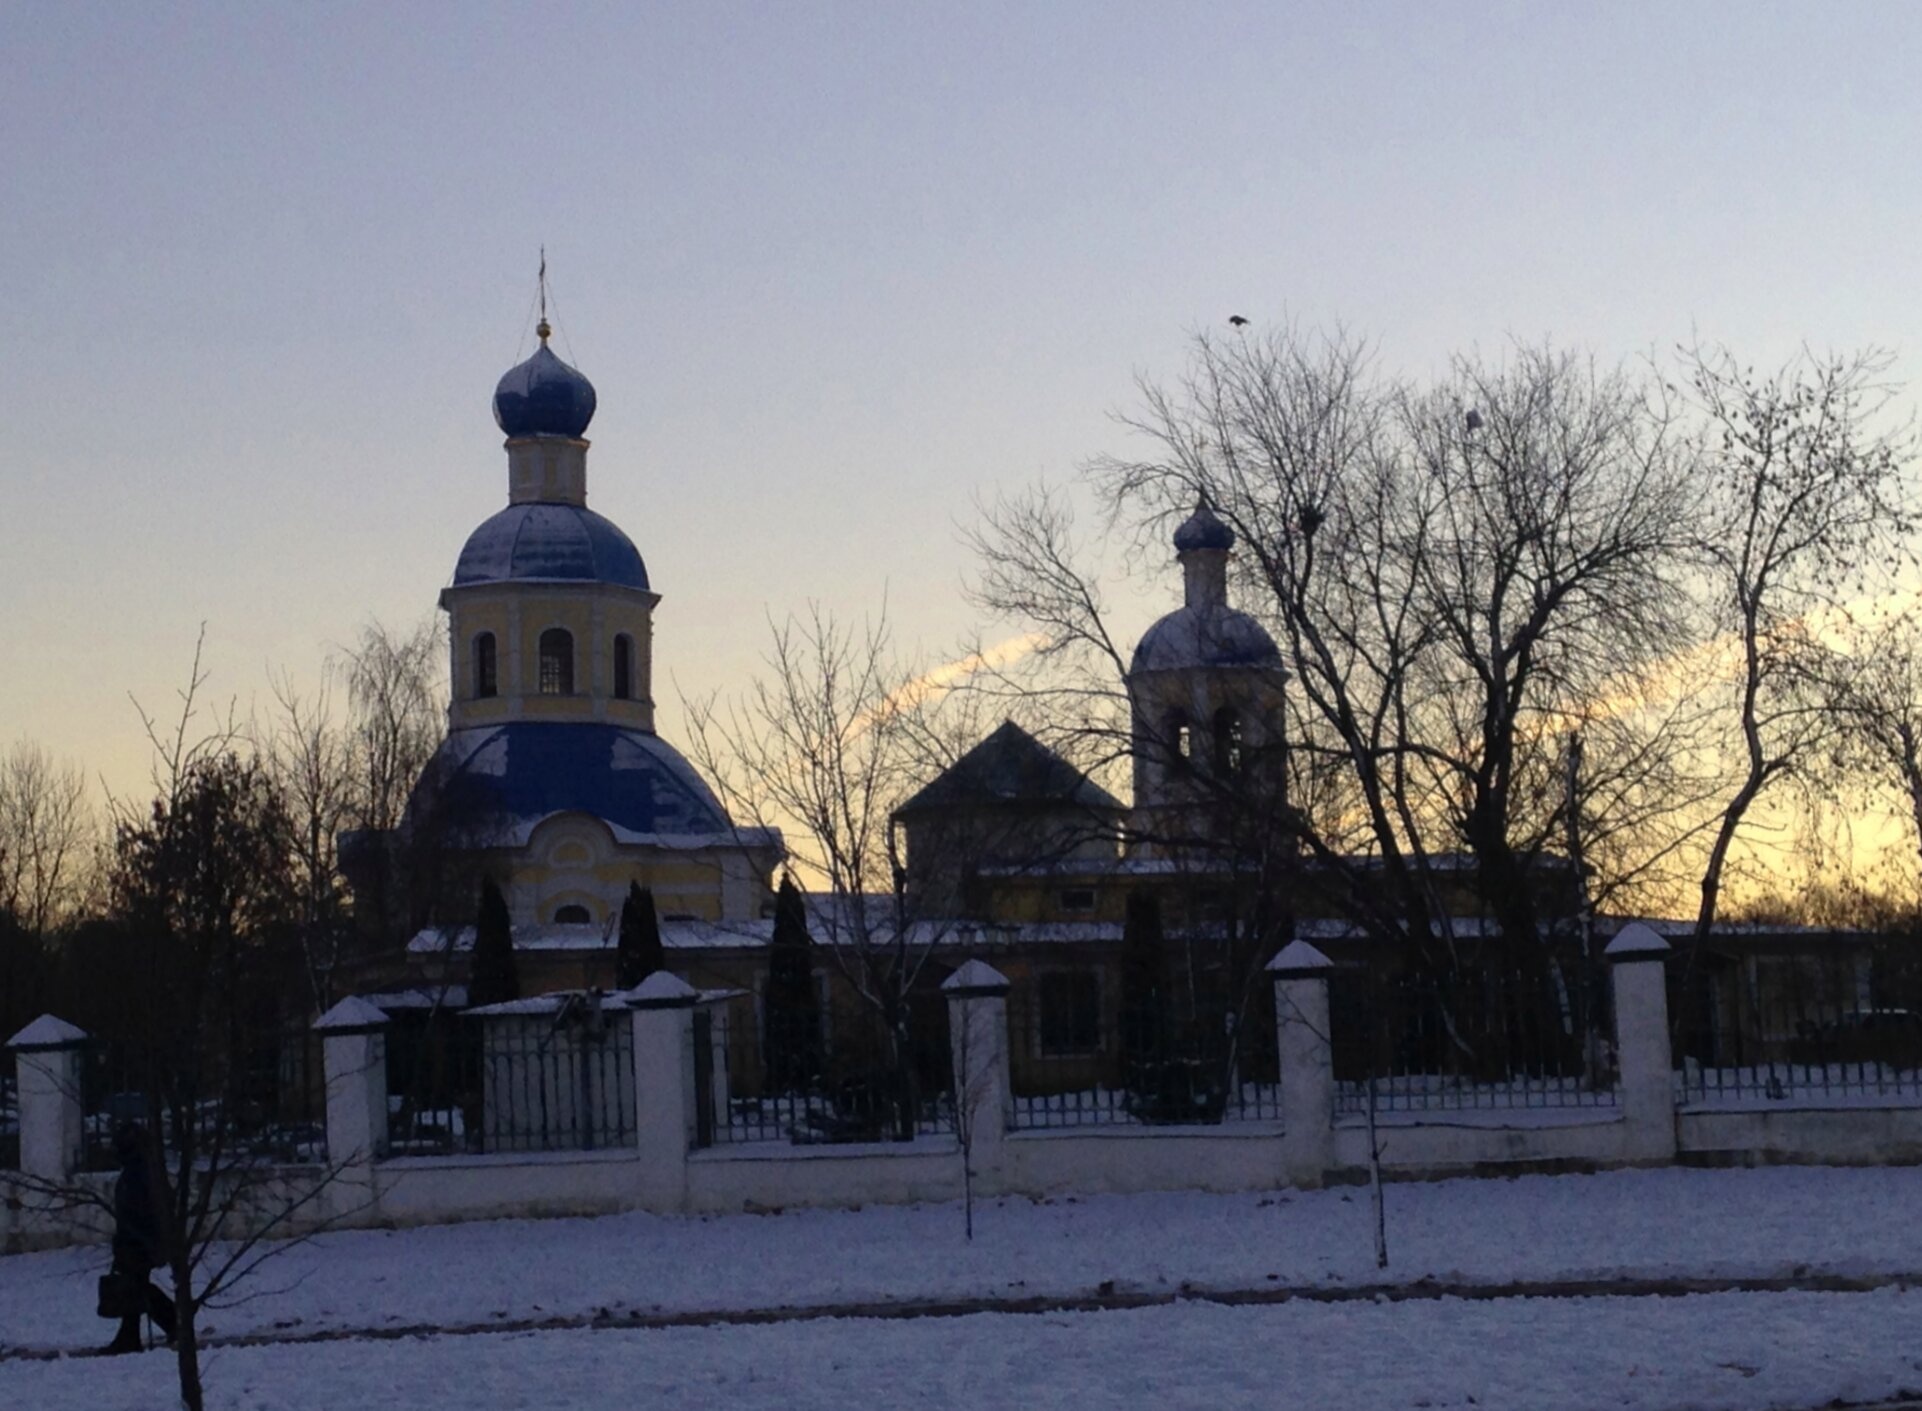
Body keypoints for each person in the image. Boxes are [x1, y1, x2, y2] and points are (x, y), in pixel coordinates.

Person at [104, 1120, 177, 1354]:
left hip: (139, 1240)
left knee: (137, 1286)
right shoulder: (141, 1171)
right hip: (137, 1239)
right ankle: (131, 1335)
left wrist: (141, 1239)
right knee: (135, 1286)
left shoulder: (140, 1173)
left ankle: (173, 1322)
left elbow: (141, 1210)